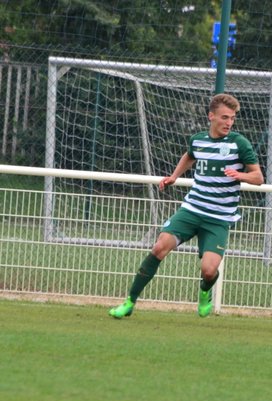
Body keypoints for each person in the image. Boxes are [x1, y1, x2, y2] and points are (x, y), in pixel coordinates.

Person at [108, 93, 263, 319]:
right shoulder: (198, 140)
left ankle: (204, 291)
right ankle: (129, 301)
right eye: (224, 117)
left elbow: (258, 177)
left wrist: (240, 175)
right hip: (192, 209)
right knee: (159, 247)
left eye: (232, 118)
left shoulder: (239, 143)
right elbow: (189, 156)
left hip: (219, 217)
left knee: (209, 271)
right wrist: (174, 176)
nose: (229, 123)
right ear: (211, 116)